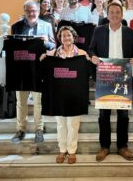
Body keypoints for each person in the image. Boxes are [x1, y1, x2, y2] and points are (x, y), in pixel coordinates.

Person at [89, 1, 133, 162]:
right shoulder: (98, 31)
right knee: (103, 114)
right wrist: (93, 57)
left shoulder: (130, 32)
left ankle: (122, 146)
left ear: (122, 14)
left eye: (118, 12)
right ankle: (104, 147)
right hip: (105, 75)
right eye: (112, 12)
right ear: (107, 13)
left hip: (123, 76)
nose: (115, 15)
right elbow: (91, 49)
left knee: (123, 114)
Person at [41, 26, 89, 164]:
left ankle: (72, 151)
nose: (66, 38)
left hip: (75, 94)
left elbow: (88, 71)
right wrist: (43, 57)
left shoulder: (81, 53)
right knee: (61, 124)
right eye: (63, 36)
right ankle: (62, 150)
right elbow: (44, 66)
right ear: (59, 38)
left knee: (73, 124)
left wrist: (90, 61)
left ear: (73, 37)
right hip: (58, 95)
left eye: (69, 35)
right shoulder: (54, 53)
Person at [10, 0, 55, 144]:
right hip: (21, 69)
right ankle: (20, 129)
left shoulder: (47, 25)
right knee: (21, 102)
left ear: (38, 11)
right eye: (28, 11)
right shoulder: (16, 26)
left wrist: (45, 42)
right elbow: (13, 46)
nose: (31, 13)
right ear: (24, 11)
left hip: (39, 69)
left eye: (33, 10)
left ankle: (39, 129)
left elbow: (53, 46)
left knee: (38, 102)